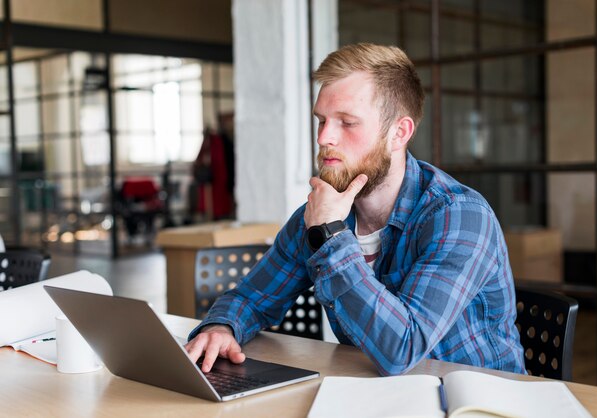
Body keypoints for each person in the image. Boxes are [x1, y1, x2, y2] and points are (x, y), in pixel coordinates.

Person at [185, 43, 526, 376]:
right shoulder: (324, 211)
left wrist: (331, 235)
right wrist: (221, 327)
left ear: (399, 133)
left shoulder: (459, 216)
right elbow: (252, 298)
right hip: (379, 396)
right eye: (322, 120)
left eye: (347, 123)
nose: (324, 138)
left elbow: (402, 349)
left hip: (477, 402)